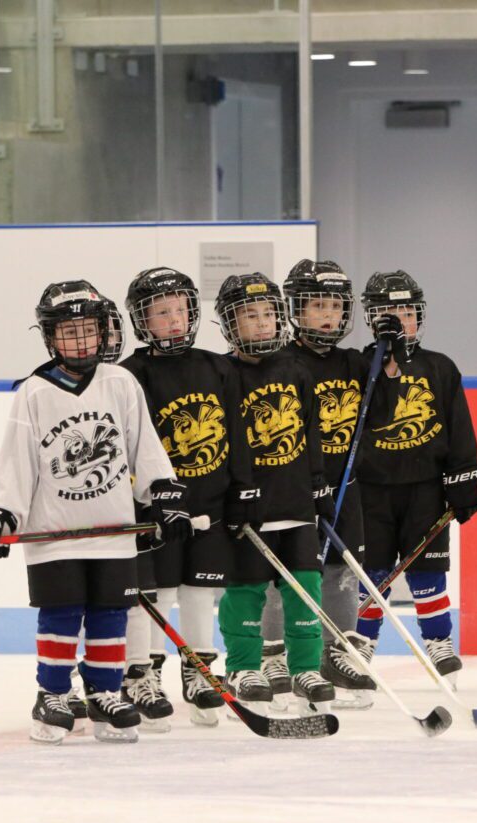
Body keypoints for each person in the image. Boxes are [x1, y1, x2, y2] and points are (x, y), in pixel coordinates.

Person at [0, 279, 190, 745]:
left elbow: (144, 447)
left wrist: (165, 495)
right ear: (50, 337)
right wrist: (0, 513)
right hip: (54, 534)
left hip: (114, 532)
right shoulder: (34, 391)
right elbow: (17, 461)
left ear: (104, 332)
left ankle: (106, 693)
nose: (79, 341)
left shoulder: (121, 383)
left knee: (111, 613)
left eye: (87, 330)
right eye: (68, 332)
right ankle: (51, 695)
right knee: (61, 612)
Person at [119, 267, 259, 728]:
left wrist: (241, 492)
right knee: (156, 592)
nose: (174, 320)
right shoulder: (130, 375)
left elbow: (237, 434)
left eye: (180, 309)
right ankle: (147, 674)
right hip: (153, 510)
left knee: (201, 590)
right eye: (162, 313)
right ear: (142, 321)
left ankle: (199, 672)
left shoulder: (218, 366)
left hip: (210, 503)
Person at [351, 270, 477, 692]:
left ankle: (439, 642)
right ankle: (362, 645)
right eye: (389, 313)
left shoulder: (439, 367)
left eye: (407, 312)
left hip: (425, 488)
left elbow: (459, 429)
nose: (400, 321)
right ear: (371, 318)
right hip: (370, 490)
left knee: (429, 571)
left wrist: (463, 479)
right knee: (371, 573)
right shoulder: (359, 367)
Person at [215, 272, 337, 712]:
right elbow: (223, 442)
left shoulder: (295, 369)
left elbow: (311, 432)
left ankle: (305, 667)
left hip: (295, 503)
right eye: (251, 315)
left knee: (305, 587)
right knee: (245, 588)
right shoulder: (223, 374)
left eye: (269, 313)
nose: (263, 323)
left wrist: (319, 482)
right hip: (249, 510)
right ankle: (244, 666)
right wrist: (233, 495)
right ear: (230, 323)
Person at [259, 259, 378, 709]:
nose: (327, 315)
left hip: (344, 484)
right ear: (295, 309)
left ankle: (336, 653)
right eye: (316, 306)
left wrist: (394, 351)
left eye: (334, 305)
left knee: (340, 571)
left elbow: (387, 403)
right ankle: (272, 655)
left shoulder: (356, 363)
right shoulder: (281, 362)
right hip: (289, 485)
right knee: (281, 572)